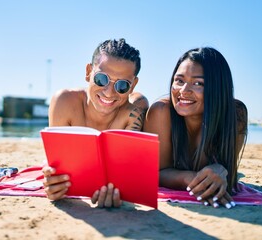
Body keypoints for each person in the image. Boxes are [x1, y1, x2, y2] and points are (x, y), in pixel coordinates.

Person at [42, 38, 148, 208]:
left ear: (133, 85)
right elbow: (57, 164)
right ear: (88, 72)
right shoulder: (65, 102)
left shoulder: (135, 109)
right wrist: (53, 179)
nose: (109, 92)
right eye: (101, 79)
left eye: (122, 85)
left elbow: (128, 171)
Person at [143, 47, 248, 209]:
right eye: (179, 80)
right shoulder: (161, 112)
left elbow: (228, 172)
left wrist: (221, 170)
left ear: (217, 88)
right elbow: (156, 173)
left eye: (198, 83)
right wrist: (191, 178)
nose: (184, 91)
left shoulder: (235, 114)